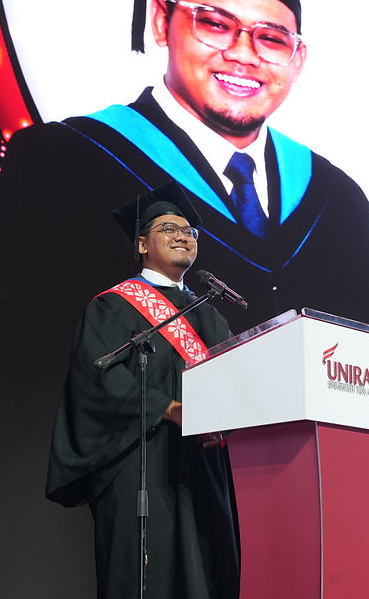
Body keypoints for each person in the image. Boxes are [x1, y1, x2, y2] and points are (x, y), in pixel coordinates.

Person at [0, 0, 369, 597]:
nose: (243, 54)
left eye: (271, 37)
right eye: (214, 23)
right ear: (160, 21)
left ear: (297, 58)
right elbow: (12, 412)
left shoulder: (335, 201)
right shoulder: (66, 166)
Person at [46, 183, 239, 599]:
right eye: (168, 228)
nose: (182, 236)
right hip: (142, 465)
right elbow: (96, 379)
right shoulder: (113, 306)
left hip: (204, 469)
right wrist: (166, 407)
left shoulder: (210, 316)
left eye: (189, 231)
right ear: (141, 244)